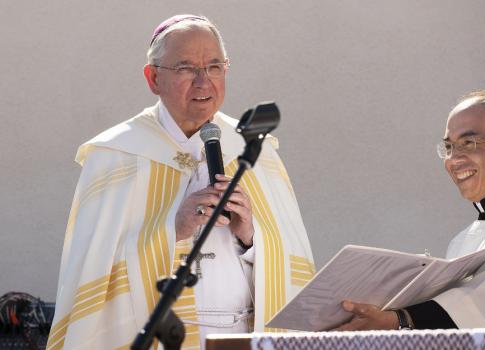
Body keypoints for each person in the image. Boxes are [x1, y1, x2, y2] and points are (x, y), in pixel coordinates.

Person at [46, 14, 314, 350]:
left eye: (214, 66)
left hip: (243, 334)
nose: (204, 81)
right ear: (153, 78)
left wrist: (250, 235)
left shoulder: (254, 149)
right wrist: (173, 229)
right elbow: (93, 273)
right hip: (161, 336)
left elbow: (291, 262)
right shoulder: (116, 154)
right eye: (187, 68)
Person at [335, 91, 485, 333]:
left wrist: (396, 320)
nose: (454, 159)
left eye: (468, 143)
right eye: (449, 147)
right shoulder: (465, 237)